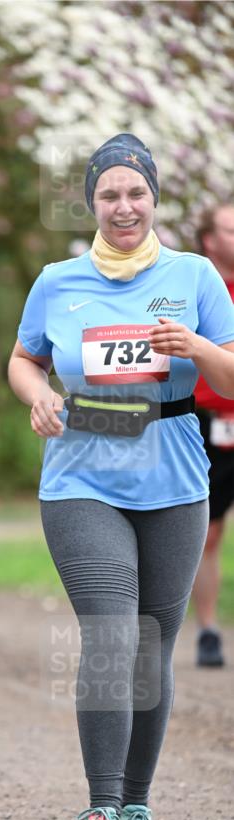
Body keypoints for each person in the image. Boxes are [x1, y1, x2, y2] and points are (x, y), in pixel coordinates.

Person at [8, 134, 234, 820]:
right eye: (108, 194)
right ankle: (100, 809)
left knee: (151, 649)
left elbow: (229, 380)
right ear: (90, 203)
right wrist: (38, 393)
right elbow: (23, 358)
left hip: (172, 474)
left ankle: (137, 806)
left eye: (135, 192)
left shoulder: (195, 275)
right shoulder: (56, 280)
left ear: (154, 198)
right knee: (110, 634)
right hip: (80, 472)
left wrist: (195, 349)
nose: (123, 205)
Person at [192, 205, 234, 668]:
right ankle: (207, 629)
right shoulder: (194, 290)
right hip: (207, 422)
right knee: (209, 532)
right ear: (209, 239)